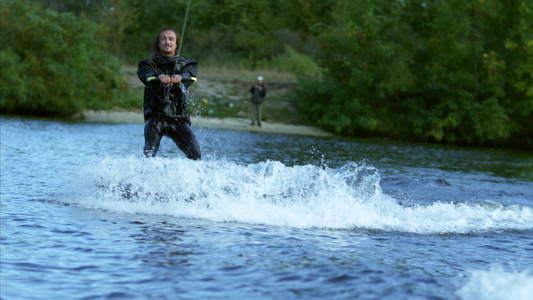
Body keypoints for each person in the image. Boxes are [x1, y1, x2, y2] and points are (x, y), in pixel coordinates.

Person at [137, 28, 201, 159]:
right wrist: (158, 77)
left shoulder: (188, 64)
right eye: (163, 39)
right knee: (149, 153)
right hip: (155, 117)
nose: (167, 42)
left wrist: (180, 77)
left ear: (176, 44)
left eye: (171, 39)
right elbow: (147, 77)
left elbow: (189, 76)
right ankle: (142, 176)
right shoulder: (147, 64)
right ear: (158, 43)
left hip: (178, 118)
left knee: (196, 155)